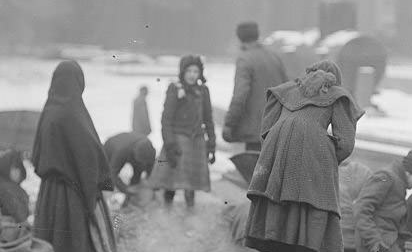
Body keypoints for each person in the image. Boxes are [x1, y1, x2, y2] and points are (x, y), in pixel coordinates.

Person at [244, 60, 364, 252]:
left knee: (281, 234)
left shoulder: (287, 90)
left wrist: (279, 155)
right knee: (325, 231)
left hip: (278, 162)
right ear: (335, 80)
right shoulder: (336, 95)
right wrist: (325, 157)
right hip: (313, 161)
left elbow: (265, 130)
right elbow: (346, 143)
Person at [32, 61, 117, 252]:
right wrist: (97, 188)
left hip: (50, 191)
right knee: (74, 237)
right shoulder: (73, 113)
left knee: (53, 238)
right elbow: (89, 153)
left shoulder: (49, 110)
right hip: (72, 191)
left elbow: (38, 156)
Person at [148, 55, 216, 210]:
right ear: (183, 72)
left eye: (195, 71)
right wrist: (170, 144)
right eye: (189, 71)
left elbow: (208, 119)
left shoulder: (203, 91)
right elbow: (166, 119)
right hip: (178, 140)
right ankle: (167, 212)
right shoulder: (175, 88)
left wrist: (211, 144)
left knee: (190, 184)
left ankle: (190, 213)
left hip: (197, 141)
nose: (192, 75)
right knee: (171, 182)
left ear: (200, 73)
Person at [222, 21, 288, 152]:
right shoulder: (274, 56)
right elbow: (286, 88)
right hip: (277, 125)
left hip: (256, 130)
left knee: (254, 168)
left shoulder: (245, 59)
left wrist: (229, 124)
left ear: (239, 38)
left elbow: (240, 96)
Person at [103, 132, 157, 205]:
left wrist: (151, 184)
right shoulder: (121, 151)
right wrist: (125, 189)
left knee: (138, 172)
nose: (143, 164)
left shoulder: (150, 149)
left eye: (144, 162)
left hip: (133, 147)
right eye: (141, 161)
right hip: (111, 147)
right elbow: (113, 173)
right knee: (106, 177)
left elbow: (150, 167)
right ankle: (110, 199)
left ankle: (130, 198)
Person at [0, 149, 30, 223]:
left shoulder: (13, 187)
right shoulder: (5, 188)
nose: (18, 171)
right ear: (5, 168)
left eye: (19, 168)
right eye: (14, 168)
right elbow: (19, 215)